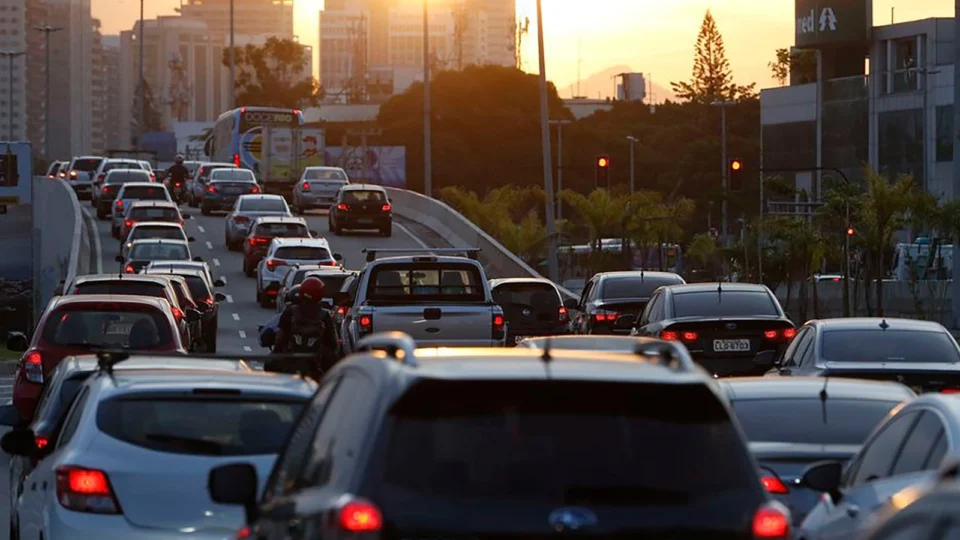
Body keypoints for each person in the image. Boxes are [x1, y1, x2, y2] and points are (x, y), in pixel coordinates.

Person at [267, 276, 339, 379]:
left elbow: (280, 338)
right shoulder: (324, 316)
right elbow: (333, 344)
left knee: (270, 365)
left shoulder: (290, 312)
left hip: (294, 363)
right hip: (314, 366)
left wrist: (276, 351)